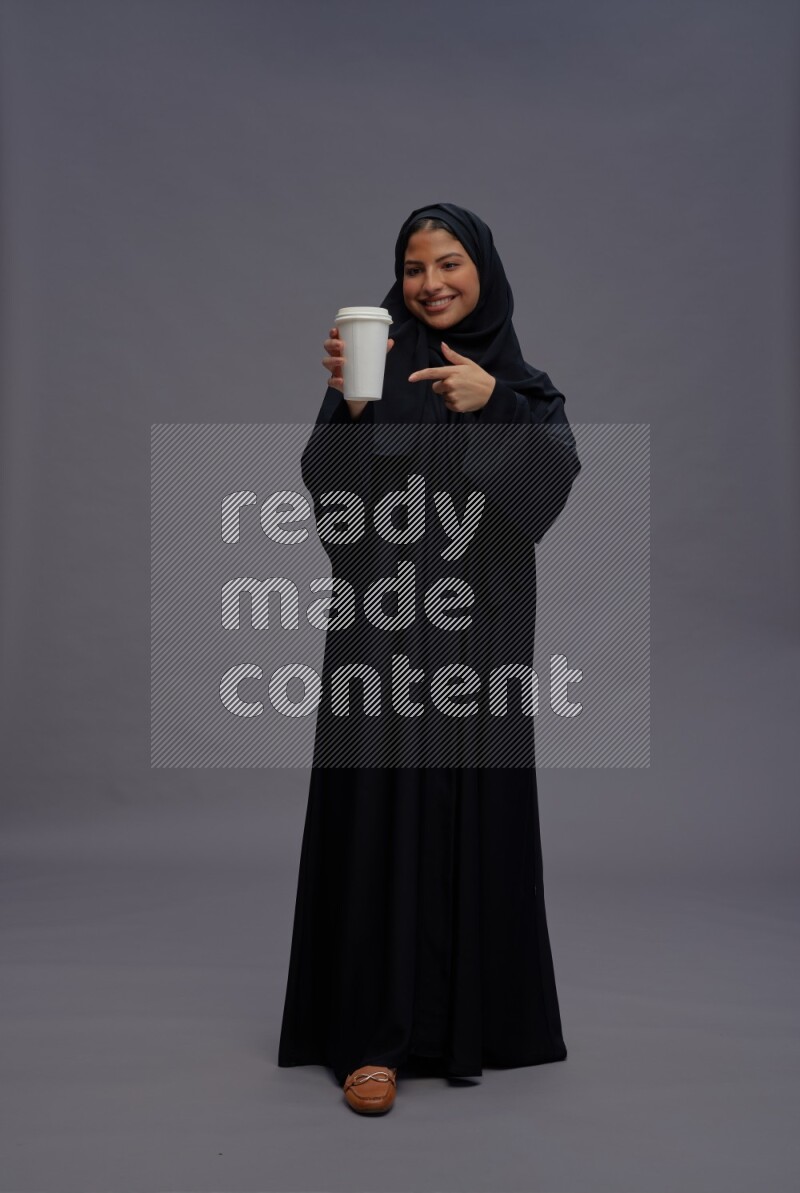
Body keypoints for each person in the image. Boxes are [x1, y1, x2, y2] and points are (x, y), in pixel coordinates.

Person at [277, 202, 581, 1115]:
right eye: (414, 268)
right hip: (383, 630)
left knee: (475, 804)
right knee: (381, 812)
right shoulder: (368, 377)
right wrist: (355, 408)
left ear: (483, 270)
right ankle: (372, 1041)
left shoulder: (525, 391)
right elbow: (329, 505)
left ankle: (473, 1024)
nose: (431, 282)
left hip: (483, 636)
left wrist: (495, 410)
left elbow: (541, 506)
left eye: (449, 263)